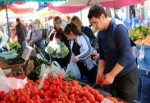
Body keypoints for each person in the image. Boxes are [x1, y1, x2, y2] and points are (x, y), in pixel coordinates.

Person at [88, 4, 139, 103]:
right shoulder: (100, 33)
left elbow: (126, 55)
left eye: (95, 22)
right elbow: (102, 55)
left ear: (102, 17)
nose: (94, 26)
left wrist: (111, 75)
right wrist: (100, 71)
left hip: (127, 77)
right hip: (113, 78)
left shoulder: (118, 28)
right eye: (91, 24)